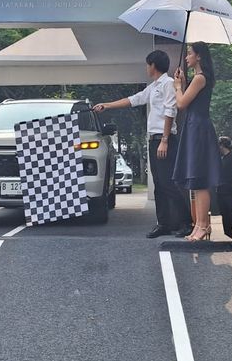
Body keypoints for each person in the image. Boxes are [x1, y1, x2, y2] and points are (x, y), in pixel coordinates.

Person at [93, 50, 192, 238]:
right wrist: (107, 105)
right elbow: (134, 100)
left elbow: (170, 111)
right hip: (154, 140)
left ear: (153, 65)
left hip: (164, 140)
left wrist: (164, 140)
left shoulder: (168, 83)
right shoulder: (154, 86)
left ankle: (186, 222)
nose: (146, 68)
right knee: (159, 185)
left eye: (147, 64)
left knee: (168, 183)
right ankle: (164, 224)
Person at [172, 42, 220, 242]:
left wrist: (177, 87)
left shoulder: (200, 78)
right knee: (196, 179)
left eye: (190, 53)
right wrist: (183, 83)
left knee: (200, 180)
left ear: (199, 56)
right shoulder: (198, 78)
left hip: (198, 128)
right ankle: (199, 224)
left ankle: (203, 225)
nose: (186, 57)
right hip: (194, 127)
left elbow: (181, 103)